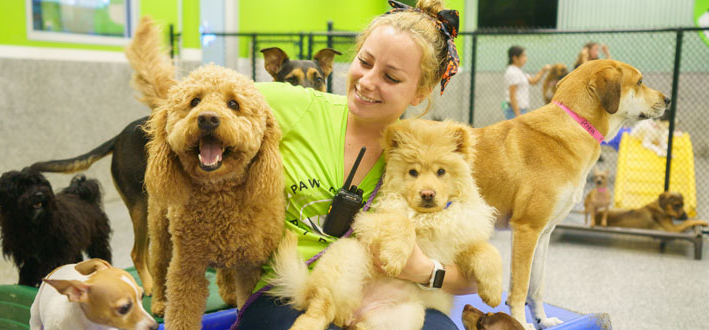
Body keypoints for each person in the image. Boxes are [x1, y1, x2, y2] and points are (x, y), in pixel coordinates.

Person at [235, 1, 476, 329]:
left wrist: (425, 270)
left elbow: (471, 277)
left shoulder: (425, 155)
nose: (367, 82)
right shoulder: (298, 105)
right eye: (364, 62)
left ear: (420, 91)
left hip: (391, 295)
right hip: (291, 288)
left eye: (390, 77)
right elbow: (211, 97)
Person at [502, 45, 550, 120]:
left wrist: (543, 70)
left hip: (521, 110)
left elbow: (533, 81)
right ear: (515, 58)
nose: (525, 58)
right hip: (515, 111)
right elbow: (512, 95)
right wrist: (518, 115)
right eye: (523, 56)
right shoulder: (512, 72)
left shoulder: (519, 71)